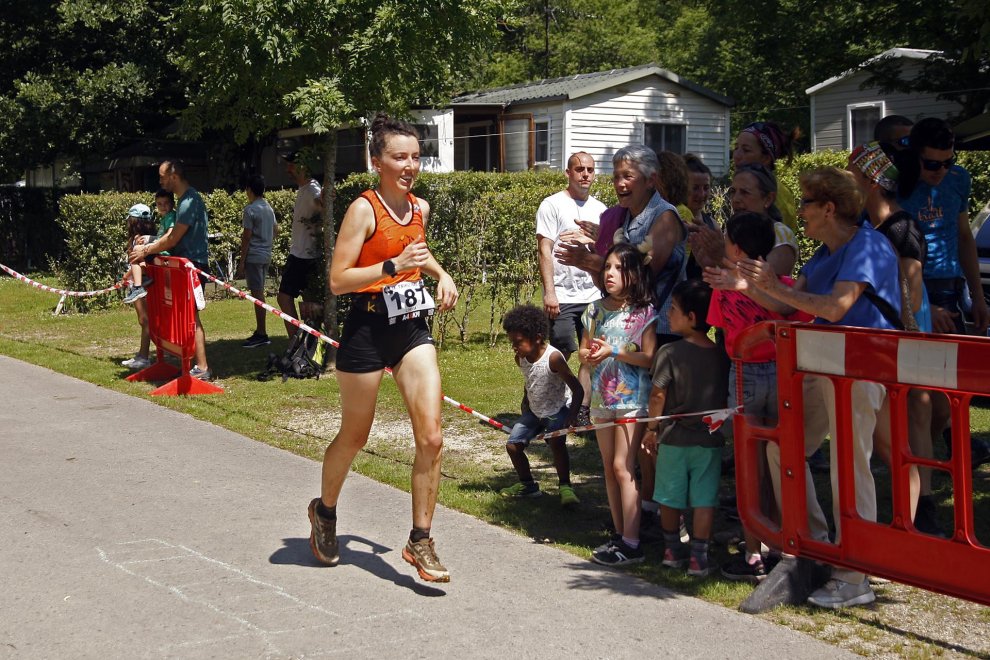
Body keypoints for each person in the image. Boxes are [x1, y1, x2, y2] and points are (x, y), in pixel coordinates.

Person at [710, 166, 901, 609]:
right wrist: (751, 285)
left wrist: (772, 286)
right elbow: (782, 303)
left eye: (807, 204)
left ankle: (855, 575)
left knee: (850, 468)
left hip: (861, 369)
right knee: (784, 447)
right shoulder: (821, 255)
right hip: (824, 368)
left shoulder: (867, 245)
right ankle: (815, 546)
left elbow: (834, 307)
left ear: (829, 208)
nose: (800, 213)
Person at [307, 114, 458, 583]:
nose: (410, 165)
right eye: (399, 157)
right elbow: (337, 280)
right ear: (378, 162)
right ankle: (325, 512)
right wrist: (390, 265)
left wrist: (440, 273)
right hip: (368, 328)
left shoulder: (420, 208)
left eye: (415, 157)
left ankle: (420, 539)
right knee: (355, 436)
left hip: (411, 326)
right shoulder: (363, 210)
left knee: (432, 436)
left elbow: (419, 248)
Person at [557, 144, 686, 542]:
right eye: (615, 176)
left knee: (656, 434)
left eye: (627, 176)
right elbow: (614, 284)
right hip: (620, 336)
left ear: (651, 180)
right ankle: (638, 515)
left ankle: (668, 519)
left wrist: (596, 262)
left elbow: (647, 276)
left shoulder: (664, 218)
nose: (619, 184)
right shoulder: (621, 219)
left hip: (659, 332)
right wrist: (594, 264)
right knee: (634, 447)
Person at [704, 212, 811, 582]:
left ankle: (753, 552)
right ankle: (785, 541)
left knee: (750, 463)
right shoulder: (783, 284)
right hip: (782, 376)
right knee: (781, 459)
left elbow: (720, 329)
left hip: (743, 374)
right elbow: (795, 313)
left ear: (735, 246)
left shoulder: (724, 284)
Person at [848, 142, 939, 534]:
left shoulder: (902, 227)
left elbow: (912, 292)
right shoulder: (870, 227)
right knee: (895, 429)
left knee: (915, 418)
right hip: (887, 338)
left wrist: (903, 334)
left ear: (870, 181)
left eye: (851, 175)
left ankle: (924, 511)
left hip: (905, 336)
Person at [898, 118, 990, 469]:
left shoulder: (959, 180)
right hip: (912, 288)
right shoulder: (895, 185)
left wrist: (978, 298)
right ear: (914, 155)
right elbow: (884, 249)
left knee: (950, 397)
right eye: (931, 163)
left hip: (951, 289)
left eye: (947, 162)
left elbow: (964, 236)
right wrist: (921, 307)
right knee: (926, 399)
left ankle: (921, 465)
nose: (940, 171)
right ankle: (915, 469)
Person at [643, 279, 729, 577]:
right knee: (705, 498)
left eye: (675, 309)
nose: (669, 314)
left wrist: (651, 428)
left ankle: (671, 551)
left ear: (692, 318)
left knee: (669, 495)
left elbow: (657, 394)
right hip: (709, 440)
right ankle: (699, 558)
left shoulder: (670, 353)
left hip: (673, 439)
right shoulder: (721, 354)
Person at [579, 243, 657, 566]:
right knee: (609, 468)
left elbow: (650, 357)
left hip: (631, 401)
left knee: (623, 468)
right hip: (601, 399)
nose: (609, 274)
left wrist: (613, 352)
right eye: (606, 267)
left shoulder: (644, 312)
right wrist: (590, 354)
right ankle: (620, 534)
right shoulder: (593, 310)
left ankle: (632, 543)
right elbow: (583, 353)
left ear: (633, 274)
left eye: (616, 268)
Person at [536, 151, 607, 428]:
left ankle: (581, 410)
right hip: (563, 296)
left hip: (593, 294)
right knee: (558, 353)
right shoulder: (552, 205)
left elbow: (607, 251)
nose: (585, 174)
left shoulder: (601, 210)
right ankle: (540, 404)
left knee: (589, 355)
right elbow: (544, 249)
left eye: (590, 169)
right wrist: (549, 292)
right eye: (579, 169)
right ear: (568, 173)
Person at [130, 160, 212, 380]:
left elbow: (173, 239)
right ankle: (188, 364)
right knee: (181, 316)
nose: (160, 181)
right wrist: (151, 242)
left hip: (191, 266)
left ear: (173, 177)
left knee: (191, 317)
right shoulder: (184, 200)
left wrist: (146, 250)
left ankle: (202, 368)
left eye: (162, 177)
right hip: (184, 266)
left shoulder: (188, 202)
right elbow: (169, 235)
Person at [499, 304, 583, 506]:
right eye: (512, 342)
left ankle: (565, 487)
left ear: (537, 338)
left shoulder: (554, 359)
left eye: (517, 342)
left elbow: (578, 389)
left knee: (556, 443)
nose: (514, 347)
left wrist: (572, 415)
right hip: (535, 412)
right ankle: (527, 485)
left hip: (557, 411)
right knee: (513, 446)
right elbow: (530, 381)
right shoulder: (521, 359)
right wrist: (526, 402)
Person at [278, 151, 323, 338]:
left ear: (303, 166)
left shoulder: (312, 189)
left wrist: (327, 201)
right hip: (303, 254)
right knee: (309, 300)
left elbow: (322, 204)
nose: (288, 169)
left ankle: (296, 341)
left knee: (284, 298)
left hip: (303, 255)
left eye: (292, 165)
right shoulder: (304, 188)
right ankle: (310, 343)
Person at [732, 121, 801, 233]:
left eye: (746, 150)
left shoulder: (776, 195)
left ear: (766, 158)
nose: (736, 156)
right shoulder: (771, 187)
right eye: (736, 148)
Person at [236, 173, 278, 348]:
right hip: (266, 254)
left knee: (257, 295)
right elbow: (276, 230)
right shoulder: (268, 208)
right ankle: (260, 331)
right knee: (259, 293)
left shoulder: (250, 209)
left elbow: (247, 237)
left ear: (249, 190)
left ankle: (262, 333)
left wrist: (241, 261)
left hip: (254, 255)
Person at [120, 203, 157, 371]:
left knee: (145, 320)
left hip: (143, 286)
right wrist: (127, 275)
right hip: (145, 282)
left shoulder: (138, 240)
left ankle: (144, 357)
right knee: (144, 321)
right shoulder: (151, 238)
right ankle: (142, 355)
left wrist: (133, 279)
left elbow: (141, 265)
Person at [683, 154, 718, 280]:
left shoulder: (712, 225)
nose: (702, 194)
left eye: (706, 188)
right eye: (695, 188)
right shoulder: (671, 220)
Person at [122, 203, 157, 306]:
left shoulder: (138, 239)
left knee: (143, 319)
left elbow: (136, 261)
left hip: (140, 280)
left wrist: (126, 276)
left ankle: (137, 289)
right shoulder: (151, 238)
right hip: (149, 278)